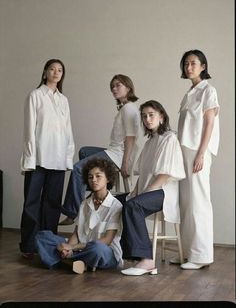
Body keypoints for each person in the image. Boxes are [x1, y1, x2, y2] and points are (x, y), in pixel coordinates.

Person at [59, 74, 140, 225]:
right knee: (84, 151)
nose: (114, 89)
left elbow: (131, 138)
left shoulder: (129, 109)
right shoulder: (124, 108)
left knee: (78, 168)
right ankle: (94, 193)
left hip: (119, 155)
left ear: (128, 88)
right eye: (112, 86)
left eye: (118, 85)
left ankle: (72, 212)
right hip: (113, 151)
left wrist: (125, 163)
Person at [117, 100, 186, 276]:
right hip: (150, 191)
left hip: (163, 193)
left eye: (151, 115)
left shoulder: (169, 139)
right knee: (116, 201)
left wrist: (144, 193)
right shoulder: (149, 143)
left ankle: (147, 261)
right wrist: (133, 193)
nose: (147, 119)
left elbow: (165, 175)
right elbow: (142, 175)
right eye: (144, 116)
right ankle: (118, 253)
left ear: (161, 117)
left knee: (134, 206)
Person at [19, 59, 75, 259]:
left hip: (58, 159)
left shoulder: (63, 100)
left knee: (52, 203)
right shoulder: (35, 96)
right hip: (38, 158)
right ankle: (28, 245)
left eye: (60, 70)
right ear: (45, 73)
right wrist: (29, 159)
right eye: (52, 69)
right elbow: (29, 130)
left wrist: (68, 157)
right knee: (32, 203)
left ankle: (49, 243)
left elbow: (68, 131)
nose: (56, 72)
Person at [35, 158, 123, 274]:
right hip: (81, 248)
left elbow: (106, 241)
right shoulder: (85, 204)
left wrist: (73, 247)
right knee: (42, 236)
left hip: (105, 253)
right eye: (90, 177)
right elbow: (77, 233)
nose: (94, 180)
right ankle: (77, 262)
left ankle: (67, 261)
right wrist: (68, 248)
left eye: (98, 176)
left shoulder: (116, 206)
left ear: (108, 179)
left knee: (97, 248)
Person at [175, 49, 220, 270]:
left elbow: (209, 123)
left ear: (203, 66)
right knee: (185, 202)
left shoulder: (208, 90)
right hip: (184, 152)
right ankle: (187, 252)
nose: (189, 67)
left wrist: (202, 153)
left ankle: (201, 256)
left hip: (197, 152)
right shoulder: (189, 93)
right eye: (186, 64)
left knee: (199, 202)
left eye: (193, 63)